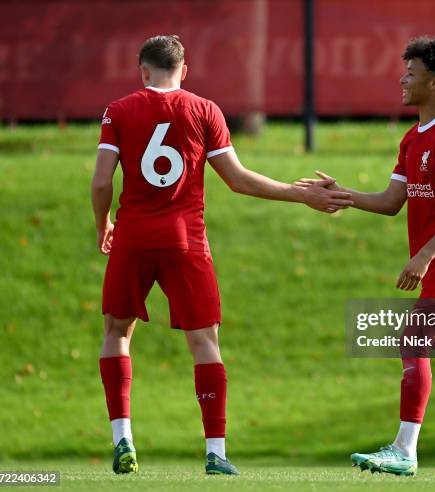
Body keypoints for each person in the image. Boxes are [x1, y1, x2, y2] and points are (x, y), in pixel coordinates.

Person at [91, 34, 353, 476]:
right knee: (204, 343)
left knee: (118, 331)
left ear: (143, 71)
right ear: (184, 71)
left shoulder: (118, 110)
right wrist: (297, 193)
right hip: (186, 239)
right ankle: (216, 452)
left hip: (134, 236)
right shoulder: (204, 110)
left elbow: (101, 183)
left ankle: (123, 440)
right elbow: (238, 179)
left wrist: (104, 226)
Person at [297, 36, 435, 477]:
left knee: (413, 338)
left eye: (411, 73)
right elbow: (393, 200)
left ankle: (404, 450)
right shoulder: (413, 137)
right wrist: (345, 196)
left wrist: (425, 257)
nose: (402, 78)